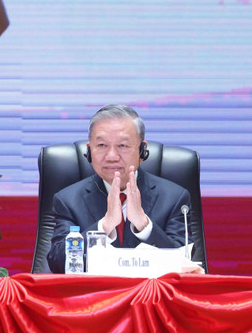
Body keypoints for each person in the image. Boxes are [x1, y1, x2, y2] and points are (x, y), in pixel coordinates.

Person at [46, 104, 188, 273]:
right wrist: (103, 227)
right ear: (89, 151)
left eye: (123, 146)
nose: (111, 156)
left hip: (152, 297)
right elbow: (57, 264)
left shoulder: (174, 198)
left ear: (142, 151)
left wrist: (145, 226)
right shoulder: (68, 200)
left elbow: (184, 264)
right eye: (101, 145)